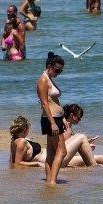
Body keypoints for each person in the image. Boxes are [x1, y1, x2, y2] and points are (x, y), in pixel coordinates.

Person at [9, 113, 103, 168]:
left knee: (100, 158)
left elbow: (11, 160)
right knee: (81, 136)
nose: (29, 130)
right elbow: (17, 163)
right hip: (55, 161)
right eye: (28, 128)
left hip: (55, 157)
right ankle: (94, 169)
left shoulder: (14, 140)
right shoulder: (21, 142)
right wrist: (38, 164)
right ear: (24, 128)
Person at [36, 52, 65, 185]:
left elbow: (53, 101)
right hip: (51, 119)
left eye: (61, 70)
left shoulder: (49, 78)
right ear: (49, 66)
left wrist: (62, 118)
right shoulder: (43, 80)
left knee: (52, 153)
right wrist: (53, 123)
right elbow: (44, 103)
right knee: (62, 151)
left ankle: (49, 180)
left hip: (55, 118)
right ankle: (52, 182)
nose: (59, 73)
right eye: (57, 70)